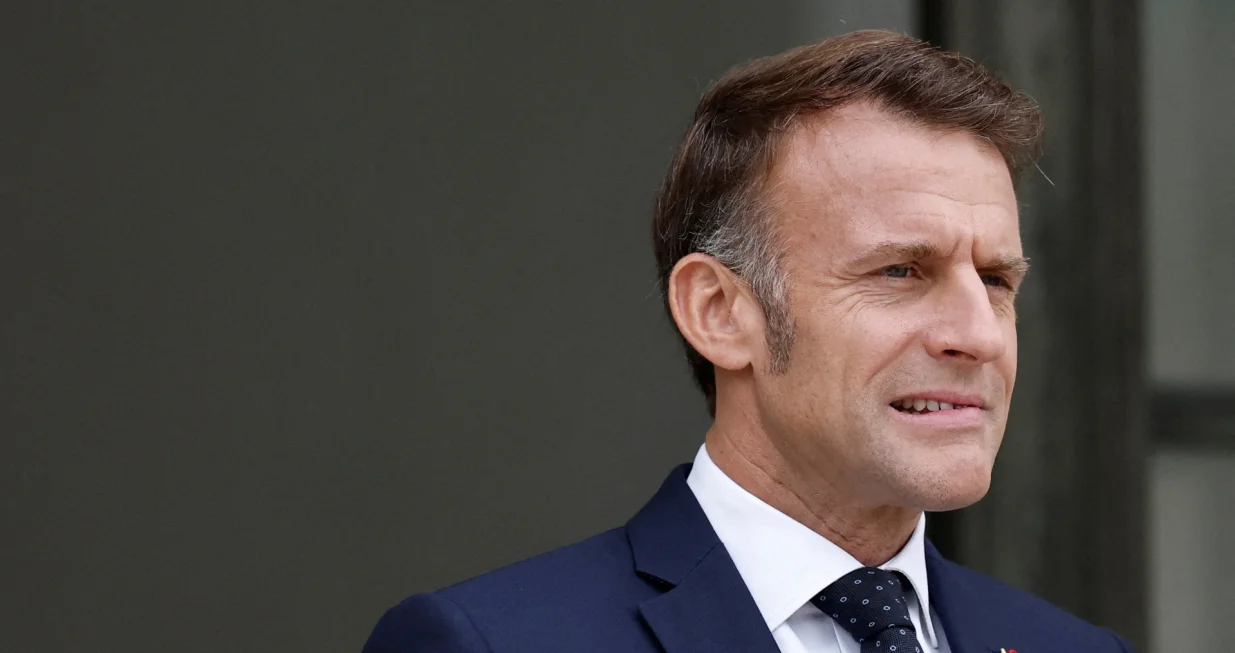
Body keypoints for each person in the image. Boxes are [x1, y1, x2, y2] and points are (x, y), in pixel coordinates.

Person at [362, 30, 1136, 653]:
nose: (976, 334)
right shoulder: (489, 641)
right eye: (901, 270)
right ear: (719, 311)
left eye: (997, 280)